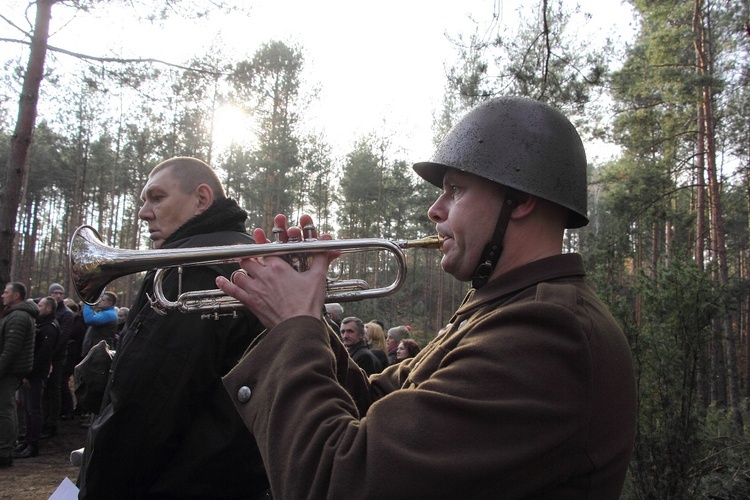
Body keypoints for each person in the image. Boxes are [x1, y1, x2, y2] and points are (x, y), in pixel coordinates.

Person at [216, 97, 637, 498]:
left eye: (455, 189)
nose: (436, 210)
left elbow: (338, 483)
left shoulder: (548, 334)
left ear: (522, 198)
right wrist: (303, 316)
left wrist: (295, 325)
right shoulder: (500, 310)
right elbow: (375, 407)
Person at [78, 157, 269, 498]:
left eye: (157, 197)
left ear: (201, 199)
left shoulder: (184, 272)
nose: (143, 212)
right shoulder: (242, 258)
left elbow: (144, 411)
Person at [15, 297, 59, 459]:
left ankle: (33, 444)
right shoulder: (41, 324)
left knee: (34, 409)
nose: (37, 308)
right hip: (31, 373)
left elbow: (42, 355)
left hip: (36, 374)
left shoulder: (50, 328)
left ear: (48, 309)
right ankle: (27, 440)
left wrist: (29, 374)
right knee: (28, 409)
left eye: (40, 306)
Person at [0, 283, 36, 468]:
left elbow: (11, 349)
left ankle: (4, 451)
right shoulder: (14, 314)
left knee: (4, 409)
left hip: (9, 371)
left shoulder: (19, 316)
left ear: (16, 296)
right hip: (9, 370)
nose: (2, 295)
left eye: (6, 292)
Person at [42, 283, 73, 439]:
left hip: (57, 357)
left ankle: (52, 423)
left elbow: (63, 338)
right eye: (55, 292)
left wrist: (50, 357)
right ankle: (44, 419)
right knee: (45, 390)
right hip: (45, 357)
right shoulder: (45, 309)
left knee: (54, 389)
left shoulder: (66, 314)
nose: (59, 295)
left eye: (61, 293)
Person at [60, 299, 86, 420]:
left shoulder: (79, 323)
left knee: (64, 383)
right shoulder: (77, 322)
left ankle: (69, 409)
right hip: (72, 355)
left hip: (73, 356)